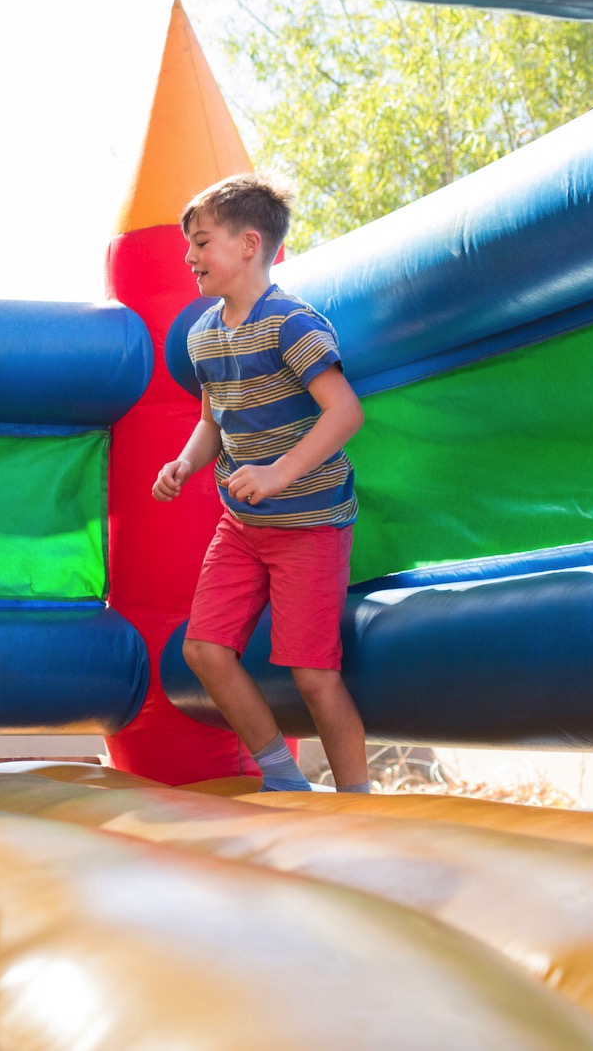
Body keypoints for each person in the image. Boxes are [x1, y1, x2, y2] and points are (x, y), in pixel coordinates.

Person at [151, 174, 370, 794]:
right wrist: (186, 464)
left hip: (310, 524)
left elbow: (345, 412)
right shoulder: (202, 335)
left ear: (249, 244)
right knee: (204, 652)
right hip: (243, 527)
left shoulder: (291, 325)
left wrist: (278, 473)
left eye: (200, 242)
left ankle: (358, 804)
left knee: (313, 675)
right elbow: (212, 423)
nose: (189, 257)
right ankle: (281, 774)